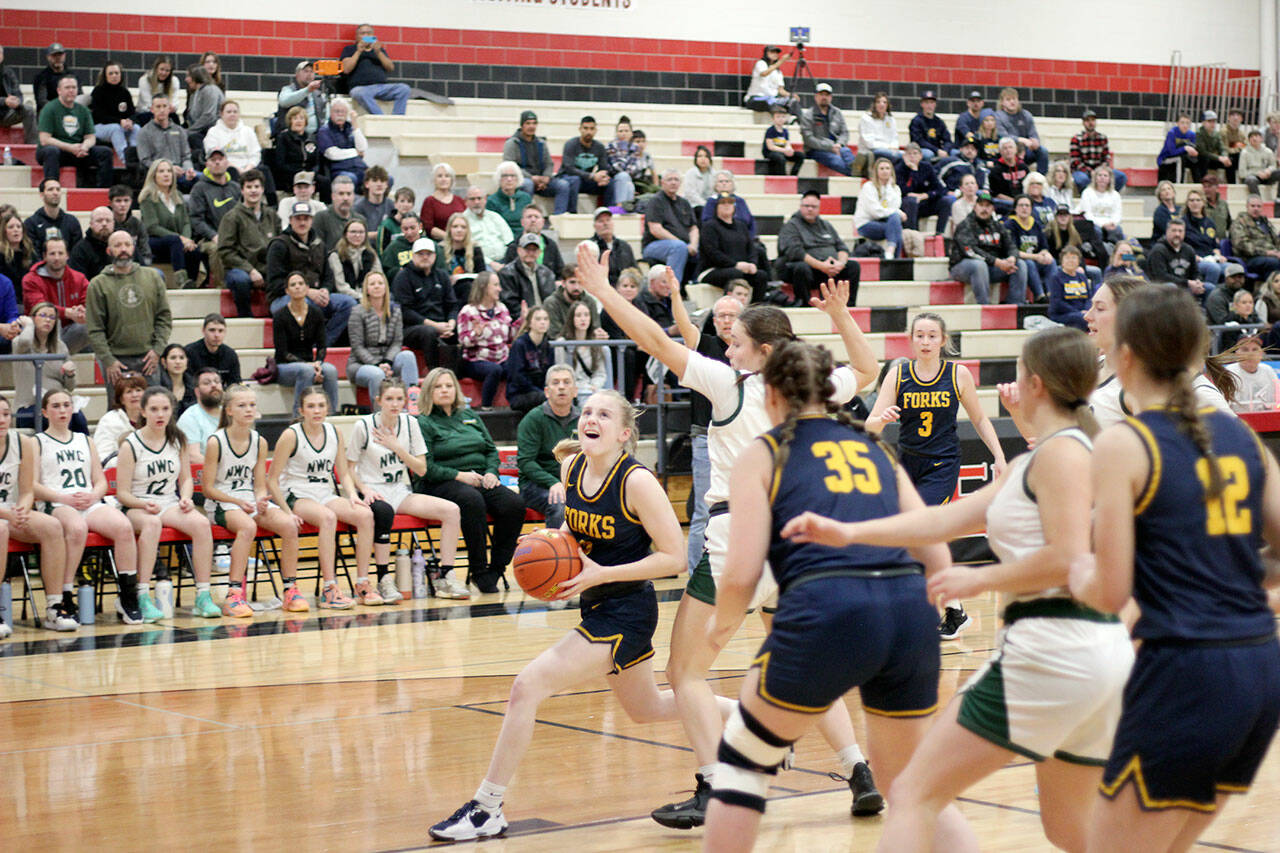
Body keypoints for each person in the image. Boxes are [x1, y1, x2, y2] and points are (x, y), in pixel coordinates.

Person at [577, 244, 883, 829]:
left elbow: (656, 343)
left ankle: (713, 787)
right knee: (802, 666)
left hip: (737, 542)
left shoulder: (731, 384)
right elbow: (869, 370)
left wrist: (603, 289)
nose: (726, 347)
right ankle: (858, 771)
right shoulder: (810, 384)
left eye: (736, 341)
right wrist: (841, 316)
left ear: (761, 351)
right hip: (796, 547)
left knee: (684, 673)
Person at [790, 327, 1132, 853]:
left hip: (1054, 648)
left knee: (911, 792)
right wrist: (852, 531)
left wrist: (979, 577)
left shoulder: (1065, 453)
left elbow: (1067, 558)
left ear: (1035, 382)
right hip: (1095, 659)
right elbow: (942, 520)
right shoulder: (1044, 457)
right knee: (1069, 829)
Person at [696, 340, 966, 851]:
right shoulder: (873, 446)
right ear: (830, 390)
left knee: (742, 766)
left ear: (770, 393)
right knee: (910, 788)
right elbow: (936, 551)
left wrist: (719, 626)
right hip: (908, 610)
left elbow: (740, 574)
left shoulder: (765, 450)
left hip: (828, 606)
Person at [1069, 285, 1280, 851]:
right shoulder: (1240, 435)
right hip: (1260, 668)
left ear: (1127, 354)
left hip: (1187, 671)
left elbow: (1110, 592)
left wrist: (1069, 570)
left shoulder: (1128, 444)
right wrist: (1229, 583)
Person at [429, 386, 690, 842]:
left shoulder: (637, 481)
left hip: (627, 610)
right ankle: (757, 718)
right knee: (648, 709)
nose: (591, 418)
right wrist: (551, 559)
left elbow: (675, 558)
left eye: (604, 414)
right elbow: (573, 531)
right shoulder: (571, 468)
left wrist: (599, 573)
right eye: (588, 412)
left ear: (625, 432)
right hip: (597, 601)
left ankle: (487, 807)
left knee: (527, 686)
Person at [864, 311, 1008, 638]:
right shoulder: (898, 374)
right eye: (920, 335)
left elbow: (981, 420)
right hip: (906, 463)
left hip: (941, 465)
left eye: (932, 335)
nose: (926, 341)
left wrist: (998, 455)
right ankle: (954, 609)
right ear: (911, 339)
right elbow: (870, 425)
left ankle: (919, 608)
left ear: (943, 340)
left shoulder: (958, 375)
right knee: (915, 535)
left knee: (920, 530)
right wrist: (882, 418)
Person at [345, 378, 468, 601]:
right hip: (372, 490)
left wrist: (397, 447)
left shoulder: (410, 424)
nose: (395, 404)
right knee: (383, 512)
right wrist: (364, 488)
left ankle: (447, 574)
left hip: (400, 490)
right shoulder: (362, 425)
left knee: (451, 510)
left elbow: (421, 469)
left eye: (399, 399)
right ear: (379, 400)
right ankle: (384, 579)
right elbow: (349, 467)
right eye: (389, 399)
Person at [413, 367, 526, 593]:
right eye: (438, 386)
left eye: (448, 385)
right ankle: (479, 569)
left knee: (514, 504)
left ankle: (496, 569)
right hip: (441, 481)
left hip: (479, 477)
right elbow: (426, 468)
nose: (445, 390)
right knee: (471, 500)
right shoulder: (422, 422)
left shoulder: (470, 416)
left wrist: (492, 471)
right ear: (428, 392)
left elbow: (490, 450)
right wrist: (460, 476)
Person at [34, 388, 143, 623]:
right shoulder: (37, 442)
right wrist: (62, 498)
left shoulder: (86, 440)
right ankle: (64, 594)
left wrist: (94, 495)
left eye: (66, 405)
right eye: (55, 406)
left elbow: (100, 480)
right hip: (57, 502)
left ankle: (127, 596)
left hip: (88, 501)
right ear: (45, 412)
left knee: (123, 527)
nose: (62, 410)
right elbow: (31, 485)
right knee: (77, 528)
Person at [115, 387, 221, 621]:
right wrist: (142, 505)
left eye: (165, 409)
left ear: (172, 410)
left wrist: (185, 497)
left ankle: (203, 596)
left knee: (202, 524)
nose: (160, 414)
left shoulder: (177, 439)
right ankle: (142, 594)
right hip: (136, 506)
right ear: (143, 411)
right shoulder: (131, 444)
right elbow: (122, 493)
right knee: (152, 524)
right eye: (153, 409)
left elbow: (185, 479)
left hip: (169, 502)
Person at [203, 383, 308, 616]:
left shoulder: (259, 441)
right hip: (222, 503)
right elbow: (207, 488)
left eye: (252, 405)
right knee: (248, 526)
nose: (249, 410)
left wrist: (261, 500)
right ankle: (233, 595)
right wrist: (239, 502)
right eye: (242, 405)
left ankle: (291, 590)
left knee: (290, 524)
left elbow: (260, 486)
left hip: (247, 500)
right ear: (229, 410)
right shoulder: (216, 441)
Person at [271, 385, 375, 608]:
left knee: (365, 515)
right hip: (296, 494)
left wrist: (352, 495)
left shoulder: (334, 431)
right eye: (310, 406)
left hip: (323, 492)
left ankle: (363, 584)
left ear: (328, 408)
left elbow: (344, 472)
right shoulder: (291, 435)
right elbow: (272, 480)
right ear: (301, 410)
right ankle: (329, 588)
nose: (316, 410)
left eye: (321, 405)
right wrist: (286, 512)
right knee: (327, 518)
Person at [0, 393, 73, 631]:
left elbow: (27, 488)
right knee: (0, 529)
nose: (2, 420)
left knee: (52, 526)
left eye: (5, 415)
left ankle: (54, 606)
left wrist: (22, 506)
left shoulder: (23, 443)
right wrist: (8, 515)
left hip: (11, 511)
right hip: (3, 517)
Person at [86, 231, 170, 385]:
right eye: (117, 245)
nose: (123, 249)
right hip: (116, 362)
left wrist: (157, 351)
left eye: (127, 244)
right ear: (109, 251)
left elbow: (164, 318)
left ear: (133, 248)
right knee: (118, 409)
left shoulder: (153, 277)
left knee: (151, 406)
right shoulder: (97, 284)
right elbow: (94, 328)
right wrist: (108, 360)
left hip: (148, 359)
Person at [266, 202, 355, 347]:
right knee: (303, 304)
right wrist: (307, 292)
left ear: (311, 220)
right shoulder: (279, 245)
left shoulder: (319, 244)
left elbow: (328, 276)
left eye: (306, 218)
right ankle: (303, 348)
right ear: (290, 220)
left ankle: (322, 344)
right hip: (282, 299)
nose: (302, 222)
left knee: (348, 304)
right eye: (298, 218)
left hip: (315, 296)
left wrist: (325, 290)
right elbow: (274, 283)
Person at [515, 365, 578, 529]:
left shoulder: (584, 420)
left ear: (575, 391)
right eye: (556, 383)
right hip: (536, 485)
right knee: (560, 506)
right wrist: (553, 483)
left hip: (574, 484)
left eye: (566, 382)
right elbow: (525, 462)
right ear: (547, 391)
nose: (561, 387)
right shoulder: (533, 419)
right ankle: (558, 552)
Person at [777, 190, 860, 305]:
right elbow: (796, 252)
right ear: (800, 206)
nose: (810, 209)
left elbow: (841, 247)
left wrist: (840, 264)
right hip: (804, 269)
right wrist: (821, 266)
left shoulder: (826, 225)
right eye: (806, 206)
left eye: (813, 206)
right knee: (801, 268)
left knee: (853, 266)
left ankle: (848, 305)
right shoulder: (791, 226)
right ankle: (804, 304)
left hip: (829, 269)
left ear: (819, 208)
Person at [273, 271, 339, 414]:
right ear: (287, 291)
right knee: (306, 371)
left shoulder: (316, 314)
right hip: (285, 366)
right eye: (293, 284)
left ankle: (331, 416)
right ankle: (298, 418)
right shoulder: (280, 316)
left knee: (331, 370)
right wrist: (309, 365)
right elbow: (282, 352)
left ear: (307, 288)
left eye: (301, 283)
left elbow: (322, 346)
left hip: (310, 364)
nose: (297, 287)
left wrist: (318, 363)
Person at [347, 269, 417, 399]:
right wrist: (378, 365)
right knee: (377, 374)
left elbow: (397, 342)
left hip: (387, 362)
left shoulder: (395, 310)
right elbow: (357, 347)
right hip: (361, 365)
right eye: (372, 284)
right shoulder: (357, 312)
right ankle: (380, 415)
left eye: (380, 283)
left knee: (408, 356)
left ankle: (411, 405)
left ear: (386, 287)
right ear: (366, 289)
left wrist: (387, 362)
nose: (377, 286)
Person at [949, 191, 1028, 305]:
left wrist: (1012, 258)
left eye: (988, 206)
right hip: (962, 267)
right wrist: (997, 262)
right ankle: (985, 306)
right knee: (979, 265)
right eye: (981, 205)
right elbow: (970, 251)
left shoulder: (997, 226)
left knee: (1020, 265)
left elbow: (1011, 246)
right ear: (975, 207)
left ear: (993, 209)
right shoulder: (965, 225)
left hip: (991, 268)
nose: (984, 209)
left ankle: (1016, 306)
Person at [392, 237, 460, 369]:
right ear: (413, 255)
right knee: (428, 332)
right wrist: (434, 326)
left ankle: (459, 374)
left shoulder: (442, 276)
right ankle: (433, 372)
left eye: (428, 254)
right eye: (420, 254)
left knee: (462, 327)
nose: (425, 257)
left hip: (442, 324)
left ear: (434, 256)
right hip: (412, 328)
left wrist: (451, 324)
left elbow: (452, 305)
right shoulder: (403, 277)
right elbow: (405, 311)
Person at [220, 169, 278, 317]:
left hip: (267, 268)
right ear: (242, 190)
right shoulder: (231, 217)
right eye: (249, 187)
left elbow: (279, 244)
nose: (253, 191)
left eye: (257, 187)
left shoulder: (272, 215)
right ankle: (245, 317)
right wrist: (250, 270)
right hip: (240, 269)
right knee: (240, 280)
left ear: (263, 189)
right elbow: (226, 251)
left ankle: (277, 315)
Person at [138, 159, 205, 289]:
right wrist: (181, 238)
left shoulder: (178, 195)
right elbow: (152, 227)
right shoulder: (148, 197)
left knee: (194, 250)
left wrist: (187, 240)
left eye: (169, 171)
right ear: (154, 176)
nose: (166, 174)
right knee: (174, 240)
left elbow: (186, 222)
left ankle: (191, 285)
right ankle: (181, 281)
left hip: (176, 243)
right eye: (161, 171)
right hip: (153, 242)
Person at [37, 74, 113, 189]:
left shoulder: (83, 110)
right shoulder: (49, 109)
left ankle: (103, 191)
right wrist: (70, 147)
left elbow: (91, 137)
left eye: (74, 87)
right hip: (57, 150)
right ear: (59, 91)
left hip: (77, 151)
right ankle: (52, 189)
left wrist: (84, 147)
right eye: (67, 88)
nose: (71, 91)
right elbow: (45, 139)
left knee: (105, 152)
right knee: (51, 151)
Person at [13, 302, 79, 431]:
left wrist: (70, 374)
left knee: (79, 418)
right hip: (29, 407)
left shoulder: (60, 347)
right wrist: (29, 326)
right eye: (43, 315)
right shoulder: (20, 344)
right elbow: (25, 340)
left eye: (52, 317)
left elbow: (70, 387)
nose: (48, 320)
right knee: (55, 419)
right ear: (33, 318)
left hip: (57, 406)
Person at [456, 271, 514, 410]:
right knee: (494, 370)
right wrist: (476, 333)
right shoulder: (468, 311)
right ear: (484, 287)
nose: (499, 289)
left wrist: (523, 321)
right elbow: (463, 341)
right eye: (495, 285)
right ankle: (486, 408)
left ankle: (515, 404)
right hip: (475, 360)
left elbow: (509, 337)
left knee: (516, 366)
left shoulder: (502, 308)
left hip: (501, 357)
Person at [504, 110, 576, 215]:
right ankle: (525, 217)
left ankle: (558, 218)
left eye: (534, 123)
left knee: (563, 185)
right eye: (528, 123)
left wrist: (546, 178)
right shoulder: (512, 143)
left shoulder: (541, 143)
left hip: (541, 181)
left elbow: (549, 163)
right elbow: (510, 166)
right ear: (522, 125)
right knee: (528, 184)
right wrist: (531, 178)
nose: (531, 126)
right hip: (523, 179)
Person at [701, 192, 769, 300]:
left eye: (730, 202)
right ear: (716, 207)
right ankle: (728, 307)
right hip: (714, 270)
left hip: (740, 269)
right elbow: (712, 253)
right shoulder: (709, 226)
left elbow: (751, 248)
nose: (727, 205)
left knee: (761, 275)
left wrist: (752, 264)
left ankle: (755, 310)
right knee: (735, 274)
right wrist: (735, 265)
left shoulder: (741, 226)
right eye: (722, 203)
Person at [558, 115, 633, 207]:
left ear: (595, 130)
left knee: (610, 183)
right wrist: (592, 176)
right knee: (575, 180)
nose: (588, 132)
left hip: (587, 180)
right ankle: (572, 212)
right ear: (580, 129)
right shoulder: (571, 144)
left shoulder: (599, 147)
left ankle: (607, 212)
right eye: (585, 128)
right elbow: (569, 168)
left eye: (591, 129)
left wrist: (603, 177)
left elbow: (603, 167)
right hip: (568, 178)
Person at [340, 24, 412, 116]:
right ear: (357, 36)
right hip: (361, 88)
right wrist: (358, 51)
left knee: (404, 88)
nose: (366, 35)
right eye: (362, 33)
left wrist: (378, 52)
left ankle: (397, 117)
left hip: (381, 87)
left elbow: (390, 68)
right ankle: (380, 117)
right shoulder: (350, 49)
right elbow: (346, 69)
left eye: (369, 33)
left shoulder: (379, 50)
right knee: (358, 93)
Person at [642, 170, 699, 283]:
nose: (673, 182)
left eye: (676, 179)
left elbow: (693, 228)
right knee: (678, 248)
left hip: (682, 244)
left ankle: (694, 285)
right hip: (654, 245)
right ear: (662, 182)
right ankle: (672, 289)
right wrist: (682, 243)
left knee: (705, 248)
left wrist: (693, 245)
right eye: (669, 179)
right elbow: (655, 229)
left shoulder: (684, 203)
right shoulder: (656, 201)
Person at [1004, 193, 1056, 301]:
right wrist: (1036, 257)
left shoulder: (1036, 224)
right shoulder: (1009, 224)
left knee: (1051, 261)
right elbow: (1013, 251)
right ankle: (1040, 296)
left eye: (1027, 206)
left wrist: (1046, 254)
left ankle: (1053, 295)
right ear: (1015, 208)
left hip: (1036, 259)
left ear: (1031, 209)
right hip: (1018, 261)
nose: (1024, 208)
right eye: (1021, 205)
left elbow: (1044, 246)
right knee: (1029, 263)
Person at [896, 143, 954, 236]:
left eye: (915, 153)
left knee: (946, 201)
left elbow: (939, 189)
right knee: (911, 201)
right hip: (906, 205)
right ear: (904, 156)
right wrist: (914, 171)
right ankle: (913, 235)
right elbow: (903, 191)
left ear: (921, 156)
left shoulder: (926, 167)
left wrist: (924, 195)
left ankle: (939, 234)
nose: (912, 157)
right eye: (909, 154)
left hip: (924, 202)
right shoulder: (899, 169)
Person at [800, 84, 857, 176]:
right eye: (821, 94)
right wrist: (830, 147)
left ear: (830, 97)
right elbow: (808, 139)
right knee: (836, 160)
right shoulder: (808, 115)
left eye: (827, 95)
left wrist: (839, 144)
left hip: (838, 147)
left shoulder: (837, 112)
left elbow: (844, 132)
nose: (824, 97)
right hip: (816, 150)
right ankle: (858, 174)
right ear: (816, 97)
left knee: (846, 151)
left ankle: (858, 170)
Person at [1147, 218, 1209, 303]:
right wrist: (1188, 283)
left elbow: (1196, 272)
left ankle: (1203, 314)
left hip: (1186, 286)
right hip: (1164, 288)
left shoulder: (1188, 249)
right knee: (1172, 287)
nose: (1177, 234)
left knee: (1209, 287)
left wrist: (1197, 282)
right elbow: (1161, 277)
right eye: (1174, 230)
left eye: (1180, 231)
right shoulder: (1158, 250)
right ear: (1167, 232)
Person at [505, 306, 554, 415]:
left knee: (565, 397)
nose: (543, 322)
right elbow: (517, 377)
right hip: (519, 394)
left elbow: (550, 373)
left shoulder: (548, 346)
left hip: (541, 392)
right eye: (538, 319)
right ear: (529, 323)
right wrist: (540, 391)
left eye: (545, 319)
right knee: (547, 399)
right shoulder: (519, 345)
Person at [855, 157, 907, 258]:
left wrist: (888, 187)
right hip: (866, 224)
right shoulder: (868, 187)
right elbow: (875, 212)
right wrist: (898, 212)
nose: (885, 171)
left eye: (887, 168)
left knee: (895, 223)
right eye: (882, 168)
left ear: (891, 171)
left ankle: (890, 252)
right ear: (876, 171)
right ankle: (895, 258)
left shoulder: (895, 189)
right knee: (896, 228)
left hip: (886, 223)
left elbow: (894, 207)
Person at [556, 301, 607, 404]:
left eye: (586, 315)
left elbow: (600, 373)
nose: (583, 319)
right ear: (572, 319)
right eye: (578, 315)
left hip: (592, 389)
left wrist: (594, 386)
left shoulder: (596, 344)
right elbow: (560, 371)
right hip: (572, 389)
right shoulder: (562, 343)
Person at [188, 150, 241, 248]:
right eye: (213, 160)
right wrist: (213, 236)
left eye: (220, 159)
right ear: (207, 164)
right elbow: (196, 219)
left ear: (227, 163)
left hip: (237, 236)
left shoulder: (236, 187)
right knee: (219, 250)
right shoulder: (199, 188)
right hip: (209, 239)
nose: (217, 162)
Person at [498, 232, 556, 318]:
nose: (530, 253)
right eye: (527, 249)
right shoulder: (506, 273)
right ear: (519, 250)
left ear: (539, 252)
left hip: (546, 319)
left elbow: (551, 300)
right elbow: (510, 303)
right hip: (520, 320)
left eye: (534, 250)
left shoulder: (547, 273)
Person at [203, 101, 262, 183]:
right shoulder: (213, 132)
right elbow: (213, 156)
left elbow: (255, 154)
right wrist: (238, 169)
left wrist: (248, 169)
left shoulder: (248, 131)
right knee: (232, 171)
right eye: (229, 112)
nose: (232, 114)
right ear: (221, 114)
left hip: (248, 167)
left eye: (235, 112)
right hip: (227, 168)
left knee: (264, 170)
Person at [92, 372, 146, 462]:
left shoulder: (153, 417)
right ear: (121, 399)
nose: (134, 395)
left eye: (138, 390)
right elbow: (102, 458)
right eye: (129, 392)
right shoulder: (109, 421)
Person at [272, 109, 323, 203]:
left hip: (309, 173)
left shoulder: (311, 138)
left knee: (325, 182)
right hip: (290, 174)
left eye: (301, 118)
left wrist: (313, 172)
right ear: (290, 121)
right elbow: (280, 164)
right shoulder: (283, 138)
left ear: (306, 121)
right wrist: (299, 172)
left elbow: (317, 162)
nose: (299, 121)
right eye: (295, 118)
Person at [89, 61, 136, 161]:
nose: (114, 76)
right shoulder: (98, 91)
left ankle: (136, 157)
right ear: (105, 76)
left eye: (117, 73)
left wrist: (130, 121)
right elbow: (99, 116)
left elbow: (132, 112)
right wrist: (119, 121)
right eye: (111, 73)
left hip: (120, 124)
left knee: (136, 128)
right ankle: (126, 161)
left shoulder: (124, 92)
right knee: (115, 129)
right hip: (99, 127)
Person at [316, 98, 367, 191]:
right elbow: (332, 154)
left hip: (360, 168)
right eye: (337, 111)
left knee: (384, 179)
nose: (340, 114)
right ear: (330, 113)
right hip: (340, 170)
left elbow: (362, 147)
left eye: (343, 112)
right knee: (350, 179)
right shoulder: (324, 131)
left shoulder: (350, 128)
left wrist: (355, 125)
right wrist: (355, 152)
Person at [499, 205, 564, 278]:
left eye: (536, 217)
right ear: (522, 222)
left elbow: (560, 271)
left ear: (543, 222)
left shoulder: (550, 244)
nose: (533, 220)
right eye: (529, 217)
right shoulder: (513, 247)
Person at [994, 87, 1048, 174]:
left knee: (1043, 151)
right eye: (1008, 99)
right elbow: (1002, 135)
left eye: (1014, 99)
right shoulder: (998, 116)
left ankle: (1040, 179)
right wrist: (1021, 140)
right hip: (1007, 151)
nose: (1012, 102)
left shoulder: (1026, 115)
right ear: (1002, 102)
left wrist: (1035, 141)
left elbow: (1033, 133)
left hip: (1026, 151)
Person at [176, 367, 223, 464]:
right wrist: (223, 468)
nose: (214, 385)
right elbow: (193, 457)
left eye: (217, 382)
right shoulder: (190, 418)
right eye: (207, 383)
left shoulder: (230, 413)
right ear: (197, 392)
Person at [24, 178, 83, 257]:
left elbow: (77, 252)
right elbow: (32, 253)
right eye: (50, 189)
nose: (55, 193)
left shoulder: (72, 221)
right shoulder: (31, 223)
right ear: (41, 194)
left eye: (58, 189)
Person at [1070, 108, 1125, 190]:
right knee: (1082, 180)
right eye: (1087, 120)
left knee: (1121, 177)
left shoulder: (1103, 138)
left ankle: (1109, 195)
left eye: (1093, 120)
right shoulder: (1076, 139)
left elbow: (1106, 157)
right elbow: (1075, 161)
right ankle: (1088, 197)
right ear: (1083, 123)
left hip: (1100, 170)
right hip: (1083, 171)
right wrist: (1090, 172)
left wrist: (1101, 171)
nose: (1090, 123)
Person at [543, 263, 602, 339]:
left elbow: (595, 328)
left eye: (580, 282)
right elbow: (554, 333)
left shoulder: (590, 302)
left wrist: (599, 334)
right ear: (563, 283)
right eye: (572, 282)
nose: (576, 287)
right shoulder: (551, 303)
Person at [327, 217, 381, 298]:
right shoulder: (336, 255)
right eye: (353, 232)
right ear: (345, 234)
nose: (357, 235)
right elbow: (341, 286)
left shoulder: (371, 254)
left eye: (361, 232)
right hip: (344, 296)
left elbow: (379, 277)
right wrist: (360, 297)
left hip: (368, 295)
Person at [463, 185, 514, 269]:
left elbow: (509, 241)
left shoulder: (495, 217)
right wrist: (491, 263)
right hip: (481, 263)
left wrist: (507, 262)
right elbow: (468, 249)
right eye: (472, 199)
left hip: (505, 260)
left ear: (485, 199)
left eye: (479, 198)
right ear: (466, 201)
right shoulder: (463, 220)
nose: (476, 202)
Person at [1229, 194, 1280, 279]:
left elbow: (1276, 240)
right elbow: (1242, 245)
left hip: (1269, 256)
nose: (1256, 209)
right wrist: (1267, 253)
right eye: (1253, 206)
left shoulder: (1264, 222)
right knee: (1273, 262)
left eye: (1258, 206)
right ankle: (1271, 290)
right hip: (1249, 258)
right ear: (1247, 207)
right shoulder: (1239, 222)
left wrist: (1277, 252)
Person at [1225, 334, 1279, 412]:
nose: (1250, 354)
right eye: (1245, 350)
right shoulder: (1229, 373)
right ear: (1237, 354)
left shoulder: (1268, 371)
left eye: (1255, 349)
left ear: (1261, 354)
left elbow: (1277, 401)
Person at [312, 175, 365, 253]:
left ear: (354, 196)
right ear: (333, 196)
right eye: (341, 194)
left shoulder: (360, 220)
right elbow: (317, 251)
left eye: (349, 194)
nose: (345, 198)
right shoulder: (321, 218)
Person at [184, 314, 240, 387]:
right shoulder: (189, 352)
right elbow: (187, 382)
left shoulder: (230, 354)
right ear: (203, 331)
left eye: (220, 331)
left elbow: (235, 383)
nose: (216, 335)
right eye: (212, 330)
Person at [1047, 246, 1094, 330]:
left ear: (1079, 261)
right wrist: (1078, 312)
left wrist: (1086, 310)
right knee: (1081, 318)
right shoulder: (1056, 278)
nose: (1070, 260)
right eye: (1067, 258)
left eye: (1074, 257)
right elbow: (1057, 303)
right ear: (1062, 262)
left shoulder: (1082, 277)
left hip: (1082, 313)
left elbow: (1088, 298)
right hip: (1063, 314)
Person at [275, 60, 328, 135]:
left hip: (316, 137)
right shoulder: (288, 89)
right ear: (297, 74)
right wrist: (307, 90)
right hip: (291, 137)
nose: (309, 74)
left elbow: (326, 116)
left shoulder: (318, 94)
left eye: (312, 71)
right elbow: (283, 102)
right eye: (306, 71)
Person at [590, 207, 636, 284]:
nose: (605, 223)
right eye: (601, 221)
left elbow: (634, 271)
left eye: (608, 220)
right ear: (594, 226)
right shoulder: (590, 246)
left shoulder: (624, 246)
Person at [743, 45, 797, 112]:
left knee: (792, 101)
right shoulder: (761, 63)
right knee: (769, 101)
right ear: (766, 53)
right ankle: (777, 118)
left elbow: (780, 90)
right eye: (772, 52)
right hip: (755, 99)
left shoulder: (778, 72)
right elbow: (764, 73)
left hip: (773, 100)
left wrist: (791, 95)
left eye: (776, 52)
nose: (775, 54)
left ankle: (802, 121)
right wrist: (781, 61)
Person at [183, 65, 224, 152]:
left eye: (188, 76)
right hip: (200, 130)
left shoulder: (209, 90)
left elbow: (209, 116)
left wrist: (190, 131)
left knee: (192, 137)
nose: (186, 79)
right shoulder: (195, 93)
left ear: (196, 77)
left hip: (211, 131)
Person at [421, 163, 465, 242]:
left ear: (451, 179)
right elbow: (428, 227)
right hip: (440, 243)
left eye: (447, 176)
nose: (443, 179)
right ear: (434, 180)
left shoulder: (459, 200)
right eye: (440, 176)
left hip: (461, 242)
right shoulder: (429, 201)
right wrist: (450, 238)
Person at [67, 206, 115, 279]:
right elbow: (79, 282)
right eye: (99, 221)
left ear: (113, 223)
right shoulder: (80, 250)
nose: (104, 224)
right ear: (91, 224)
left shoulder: (122, 245)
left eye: (108, 220)